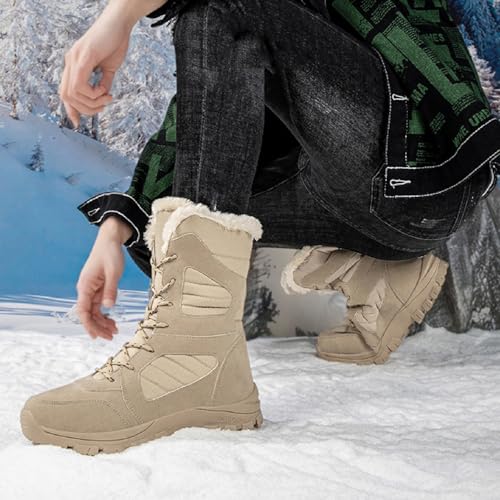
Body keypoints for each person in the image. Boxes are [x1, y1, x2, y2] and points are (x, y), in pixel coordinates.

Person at [20, 0, 499, 454]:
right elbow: (200, 118)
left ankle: (192, 358)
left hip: (420, 164)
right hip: (358, 199)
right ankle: (378, 272)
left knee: (218, 12)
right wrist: (116, 229)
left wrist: (118, 18)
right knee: (161, 223)